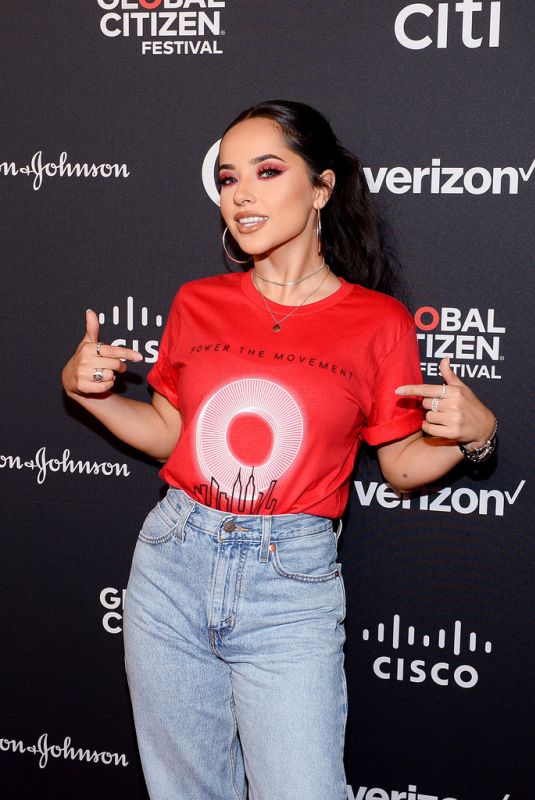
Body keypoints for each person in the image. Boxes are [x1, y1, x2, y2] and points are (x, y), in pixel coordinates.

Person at [61, 100, 496, 800]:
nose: (242, 195)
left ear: (321, 188)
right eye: (229, 178)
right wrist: (91, 393)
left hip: (288, 584)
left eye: (267, 171)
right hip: (173, 560)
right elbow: (171, 432)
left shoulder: (376, 322)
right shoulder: (198, 301)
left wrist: (474, 436)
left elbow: (402, 465)